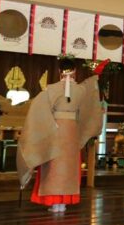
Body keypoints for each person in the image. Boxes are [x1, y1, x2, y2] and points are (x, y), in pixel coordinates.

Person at [17, 56, 106, 214]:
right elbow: (89, 106)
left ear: (59, 72)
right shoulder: (81, 90)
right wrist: (94, 79)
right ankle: (64, 203)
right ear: (75, 72)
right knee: (69, 167)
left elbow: (38, 111)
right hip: (71, 131)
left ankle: (53, 202)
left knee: (52, 166)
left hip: (55, 129)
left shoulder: (51, 89)